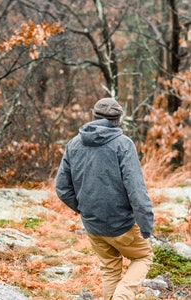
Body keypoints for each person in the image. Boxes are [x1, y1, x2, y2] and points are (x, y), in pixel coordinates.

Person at [55, 98, 154, 299]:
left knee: (110, 269)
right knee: (143, 256)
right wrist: (146, 225)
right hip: (121, 225)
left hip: (93, 226)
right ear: (118, 120)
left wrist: (85, 209)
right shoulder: (123, 144)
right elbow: (136, 189)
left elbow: (62, 188)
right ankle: (123, 296)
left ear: (94, 116)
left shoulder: (74, 144)